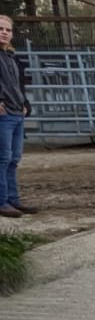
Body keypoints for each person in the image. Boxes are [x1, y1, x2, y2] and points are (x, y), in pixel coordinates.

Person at [0, 14, 35, 218]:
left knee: (13, 159)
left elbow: (17, 85)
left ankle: (13, 200)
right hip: (3, 115)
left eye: (8, 30)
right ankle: (2, 201)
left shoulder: (11, 57)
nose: (4, 32)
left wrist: (25, 104)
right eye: (1, 29)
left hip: (16, 113)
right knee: (2, 159)